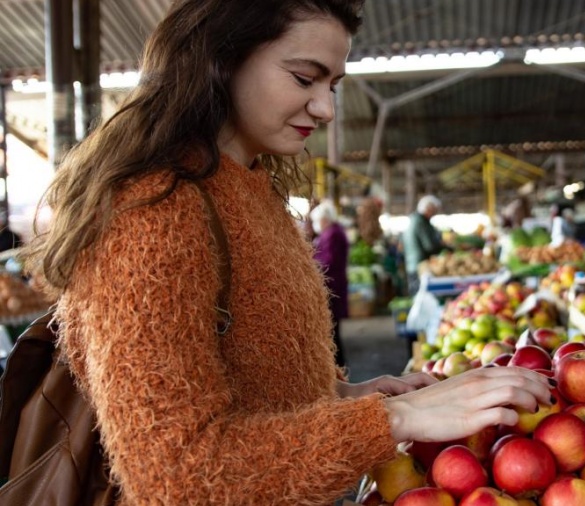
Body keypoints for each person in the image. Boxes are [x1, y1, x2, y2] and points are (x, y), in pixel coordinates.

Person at [21, 2, 551, 504]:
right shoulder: (155, 212)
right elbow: (178, 475)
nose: (325, 109)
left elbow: (249, 382)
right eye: (304, 78)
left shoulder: (249, 188)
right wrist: (397, 419)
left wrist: (344, 395)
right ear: (221, 59)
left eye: (333, 85)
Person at [311, 201, 349, 368]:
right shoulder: (333, 232)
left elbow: (329, 261)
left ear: (324, 219)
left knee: (333, 329)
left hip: (333, 286)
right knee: (333, 329)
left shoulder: (332, 234)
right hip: (334, 284)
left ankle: (338, 367)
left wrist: (310, 264)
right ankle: (338, 366)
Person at [403, 194, 445, 294]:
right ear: (428, 208)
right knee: (420, 294)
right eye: (434, 210)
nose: (435, 213)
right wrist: (446, 248)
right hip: (419, 265)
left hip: (413, 264)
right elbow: (429, 246)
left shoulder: (414, 219)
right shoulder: (420, 222)